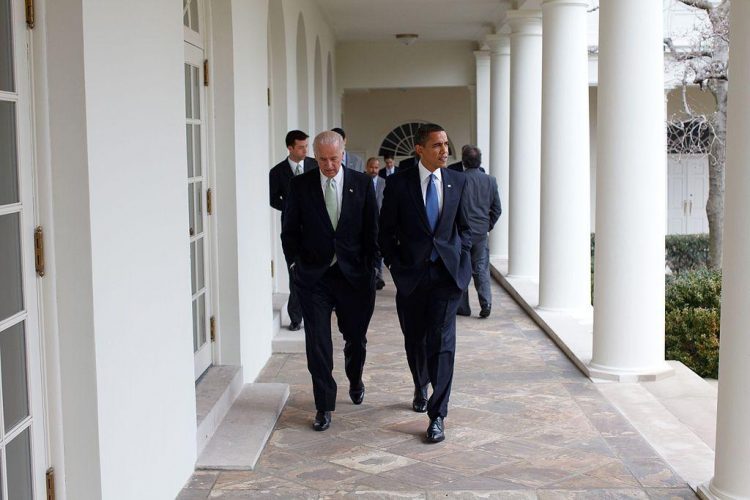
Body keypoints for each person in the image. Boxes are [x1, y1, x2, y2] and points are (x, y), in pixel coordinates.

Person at [379, 123, 472, 443]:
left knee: (443, 344)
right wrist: (394, 263)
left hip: (447, 277)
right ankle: (420, 384)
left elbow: (467, 228)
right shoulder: (399, 184)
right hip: (411, 277)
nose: (445, 150)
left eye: (446, 144)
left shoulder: (458, 181)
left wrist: (463, 264)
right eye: (437, 145)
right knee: (415, 339)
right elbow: (385, 231)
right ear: (419, 149)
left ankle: (437, 415)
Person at [281, 131, 379, 432]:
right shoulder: (300, 186)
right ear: (315, 155)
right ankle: (324, 404)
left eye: (333, 159)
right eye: (322, 159)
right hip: (315, 278)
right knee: (318, 344)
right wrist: (296, 265)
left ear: (343, 152)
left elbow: (372, 230)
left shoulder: (362, 184)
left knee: (355, 339)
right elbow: (289, 231)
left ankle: (355, 377)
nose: (328, 165)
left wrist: (372, 268)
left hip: (354, 278)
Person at [269, 130, 318, 331]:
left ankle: (316, 313)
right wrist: (291, 209)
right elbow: (273, 199)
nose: (305, 150)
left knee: (317, 271)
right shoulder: (277, 172)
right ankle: (296, 317)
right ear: (290, 148)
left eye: (306, 146)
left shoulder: (315, 165)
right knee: (295, 271)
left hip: (316, 228)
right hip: (292, 230)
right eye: (301, 147)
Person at [453, 146, 502, 318]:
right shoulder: (490, 181)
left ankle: (463, 306)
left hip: (461, 232)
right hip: (481, 232)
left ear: (464, 161)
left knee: (461, 267)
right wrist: (487, 225)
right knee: (481, 268)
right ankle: (486, 302)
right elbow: (497, 209)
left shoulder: (458, 179)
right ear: (479, 161)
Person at [365, 157, 387, 290]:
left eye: (376, 167)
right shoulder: (361, 180)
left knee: (378, 250)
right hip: (365, 221)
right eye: (371, 167)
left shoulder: (383, 183)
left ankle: (378, 276)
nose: (374, 170)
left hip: (379, 222)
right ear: (367, 167)